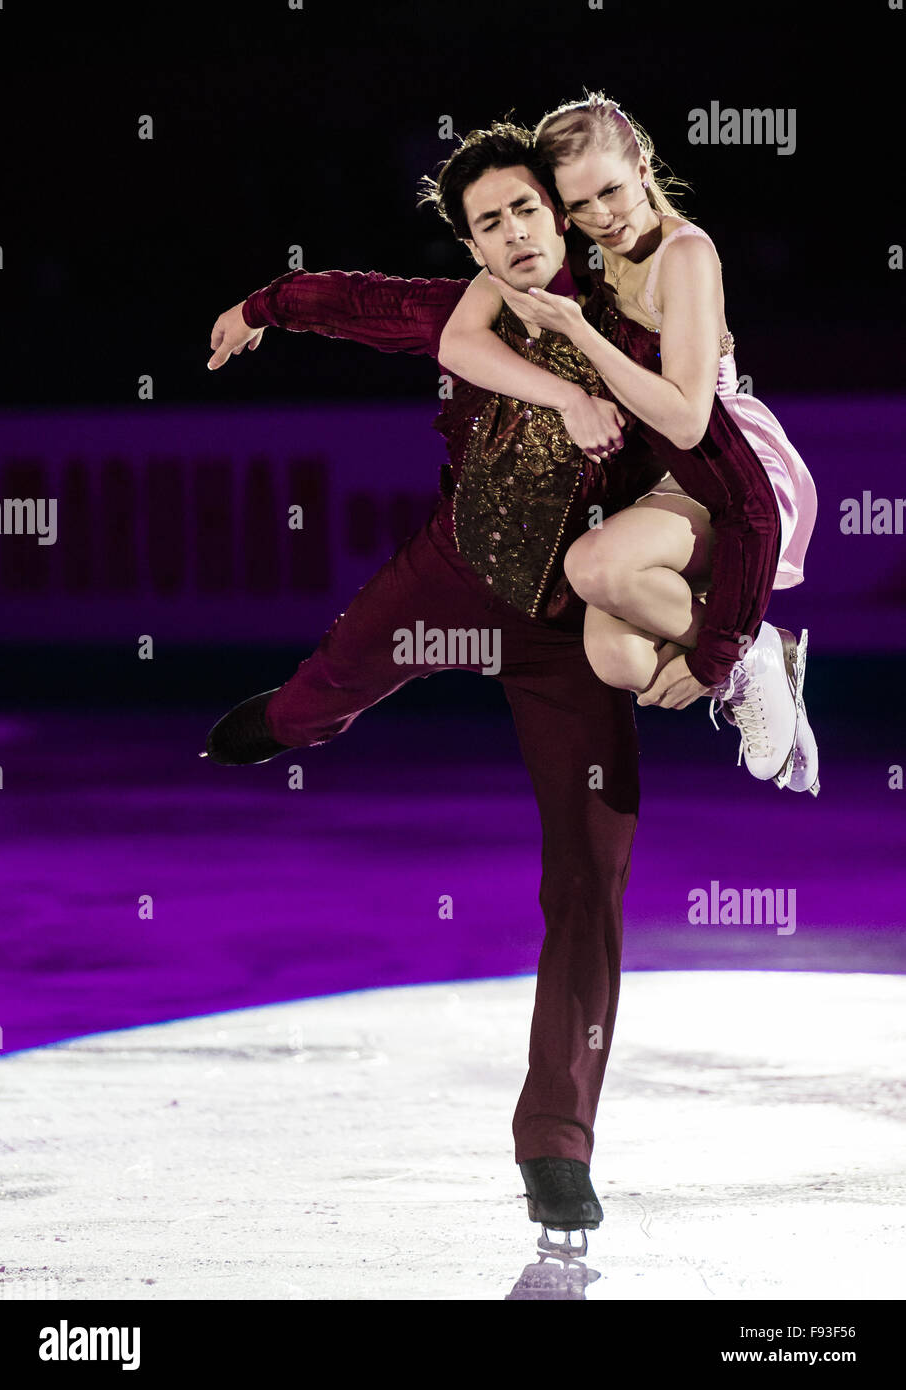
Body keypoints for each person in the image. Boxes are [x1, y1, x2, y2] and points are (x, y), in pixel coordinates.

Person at [202, 123, 784, 1253]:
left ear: (560, 215)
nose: (512, 234)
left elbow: (731, 480)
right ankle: (283, 721)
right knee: (330, 684)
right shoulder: (469, 312)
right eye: (486, 222)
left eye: (527, 210)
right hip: (454, 575)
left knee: (587, 874)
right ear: (469, 241)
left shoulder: (632, 325)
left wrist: (724, 646)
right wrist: (263, 306)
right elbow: (361, 302)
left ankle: (555, 1142)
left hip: (571, 633)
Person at [438, 93, 819, 794]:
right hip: (665, 479)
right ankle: (764, 654)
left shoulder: (685, 253)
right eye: (579, 206)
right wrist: (564, 394)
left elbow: (684, 419)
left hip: (728, 462)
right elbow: (456, 341)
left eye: (611, 191)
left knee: (596, 567)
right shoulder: (570, 248)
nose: (603, 218)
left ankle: (746, 653)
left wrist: (579, 333)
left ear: (641, 165)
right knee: (615, 657)